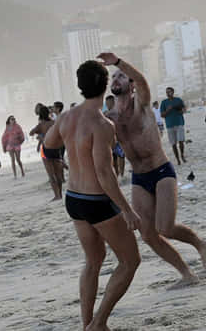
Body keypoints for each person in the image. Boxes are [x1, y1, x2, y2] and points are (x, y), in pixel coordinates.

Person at [101, 52, 206, 286]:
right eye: (114, 76)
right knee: (148, 234)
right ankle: (186, 274)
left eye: (122, 76)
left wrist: (119, 62)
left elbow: (142, 81)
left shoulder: (142, 104)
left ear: (131, 85)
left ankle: (201, 243)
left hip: (161, 171)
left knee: (166, 227)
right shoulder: (110, 118)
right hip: (139, 177)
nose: (117, 78)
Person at [42, 61, 141, 331]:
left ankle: (87, 323)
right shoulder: (101, 124)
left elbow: (48, 145)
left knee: (93, 261)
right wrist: (127, 210)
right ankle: (98, 323)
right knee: (130, 261)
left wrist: (70, 150)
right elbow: (105, 174)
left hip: (73, 198)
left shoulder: (66, 117)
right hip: (96, 201)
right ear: (105, 85)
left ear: (80, 85)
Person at [32, 106, 62, 200]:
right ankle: (60, 194)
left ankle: (57, 196)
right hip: (56, 148)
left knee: (51, 175)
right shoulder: (54, 123)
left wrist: (40, 136)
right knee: (58, 174)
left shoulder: (41, 125)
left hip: (45, 149)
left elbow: (31, 132)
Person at [160, 87, 187, 165]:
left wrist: (181, 110)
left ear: (173, 92)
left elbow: (184, 109)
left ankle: (182, 155)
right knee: (173, 143)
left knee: (181, 141)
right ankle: (177, 159)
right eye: (166, 92)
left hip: (179, 123)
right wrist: (168, 110)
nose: (168, 93)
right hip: (169, 125)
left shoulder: (178, 100)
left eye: (169, 92)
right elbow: (162, 115)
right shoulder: (164, 102)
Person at [104, 96, 125, 179]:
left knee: (121, 156)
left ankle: (122, 174)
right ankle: (117, 175)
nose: (108, 104)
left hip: (119, 138)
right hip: (110, 139)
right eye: (107, 103)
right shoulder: (105, 114)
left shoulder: (118, 112)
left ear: (113, 102)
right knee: (114, 159)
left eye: (109, 102)